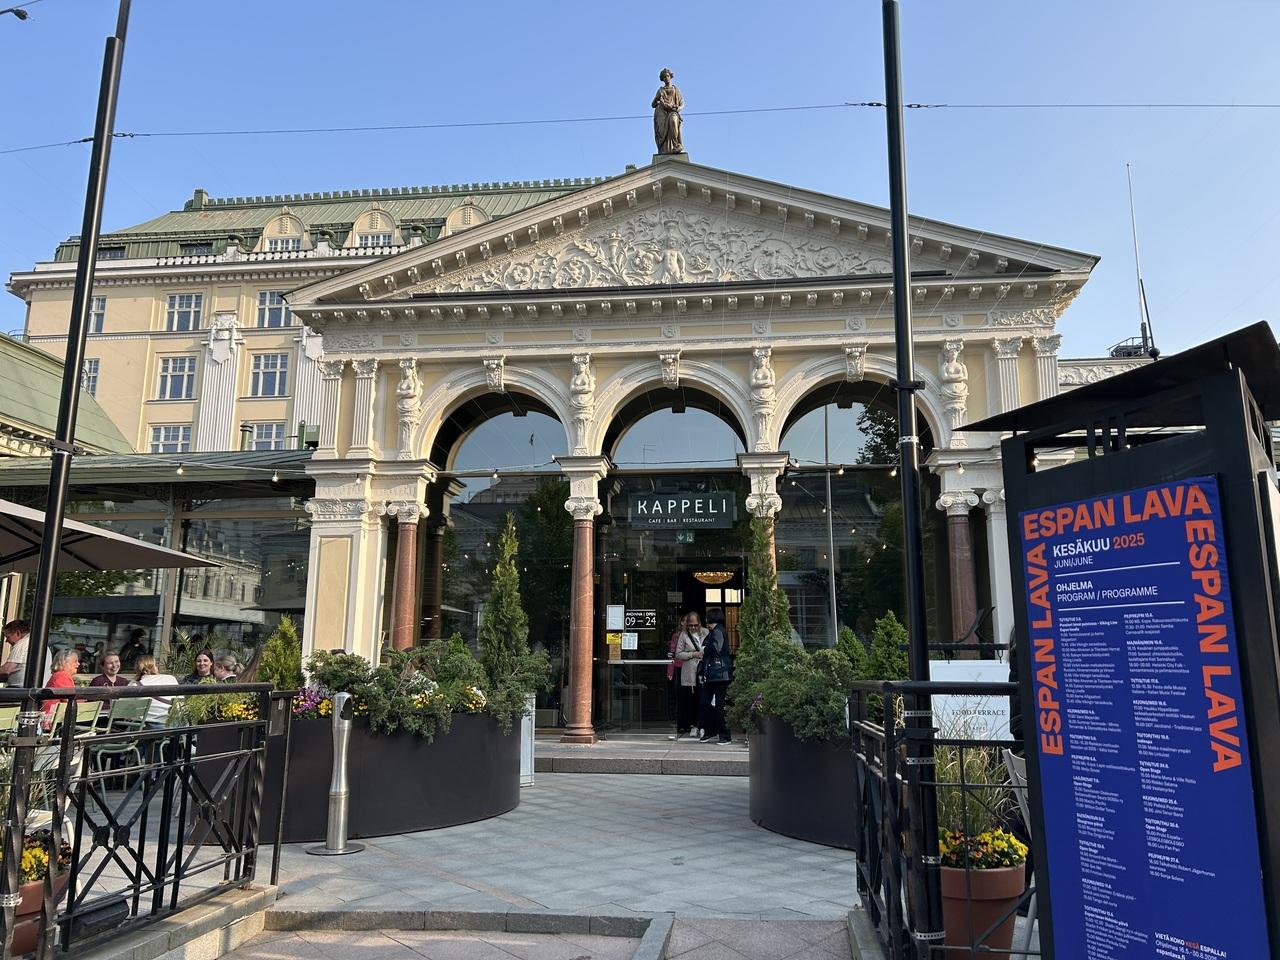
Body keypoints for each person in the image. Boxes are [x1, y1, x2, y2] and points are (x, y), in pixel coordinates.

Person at [699, 608, 734, 744]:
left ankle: (724, 734)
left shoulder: (718, 631)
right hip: (714, 673)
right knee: (706, 703)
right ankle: (712, 730)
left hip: (719, 673)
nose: (706, 619)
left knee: (718, 705)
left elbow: (715, 649)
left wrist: (704, 649)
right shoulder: (715, 631)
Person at [674, 611, 708, 740]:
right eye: (690, 625)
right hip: (689, 672)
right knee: (692, 700)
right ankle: (694, 725)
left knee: (704, 699)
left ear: (699, 623)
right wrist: (693, 654)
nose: (693, 627)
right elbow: (678, 653)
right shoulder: (683, 635)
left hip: (704, 670)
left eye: (695, 625)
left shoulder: (706, 632)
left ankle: (704, 725)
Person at [0, 619, 52, 686]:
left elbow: (6, 669)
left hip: (20, 689)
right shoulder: (42, 645)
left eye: (8, 637)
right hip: (39, 688)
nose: (6, 641)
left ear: (18, 633)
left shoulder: (22, 644)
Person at [135, 655, 180, 728]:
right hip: (177, 724)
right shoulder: (171, 678)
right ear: (155, 666)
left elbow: (121, 709)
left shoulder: (135, 685)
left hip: (151, 726)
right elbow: (181, 700)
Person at [42, 648, 80, 719]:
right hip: (54, 718)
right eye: (75, 661)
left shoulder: (61, 675)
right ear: (64, 663)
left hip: (58, 717)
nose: (78, 664)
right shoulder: (61, 676)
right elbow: (69, 699)